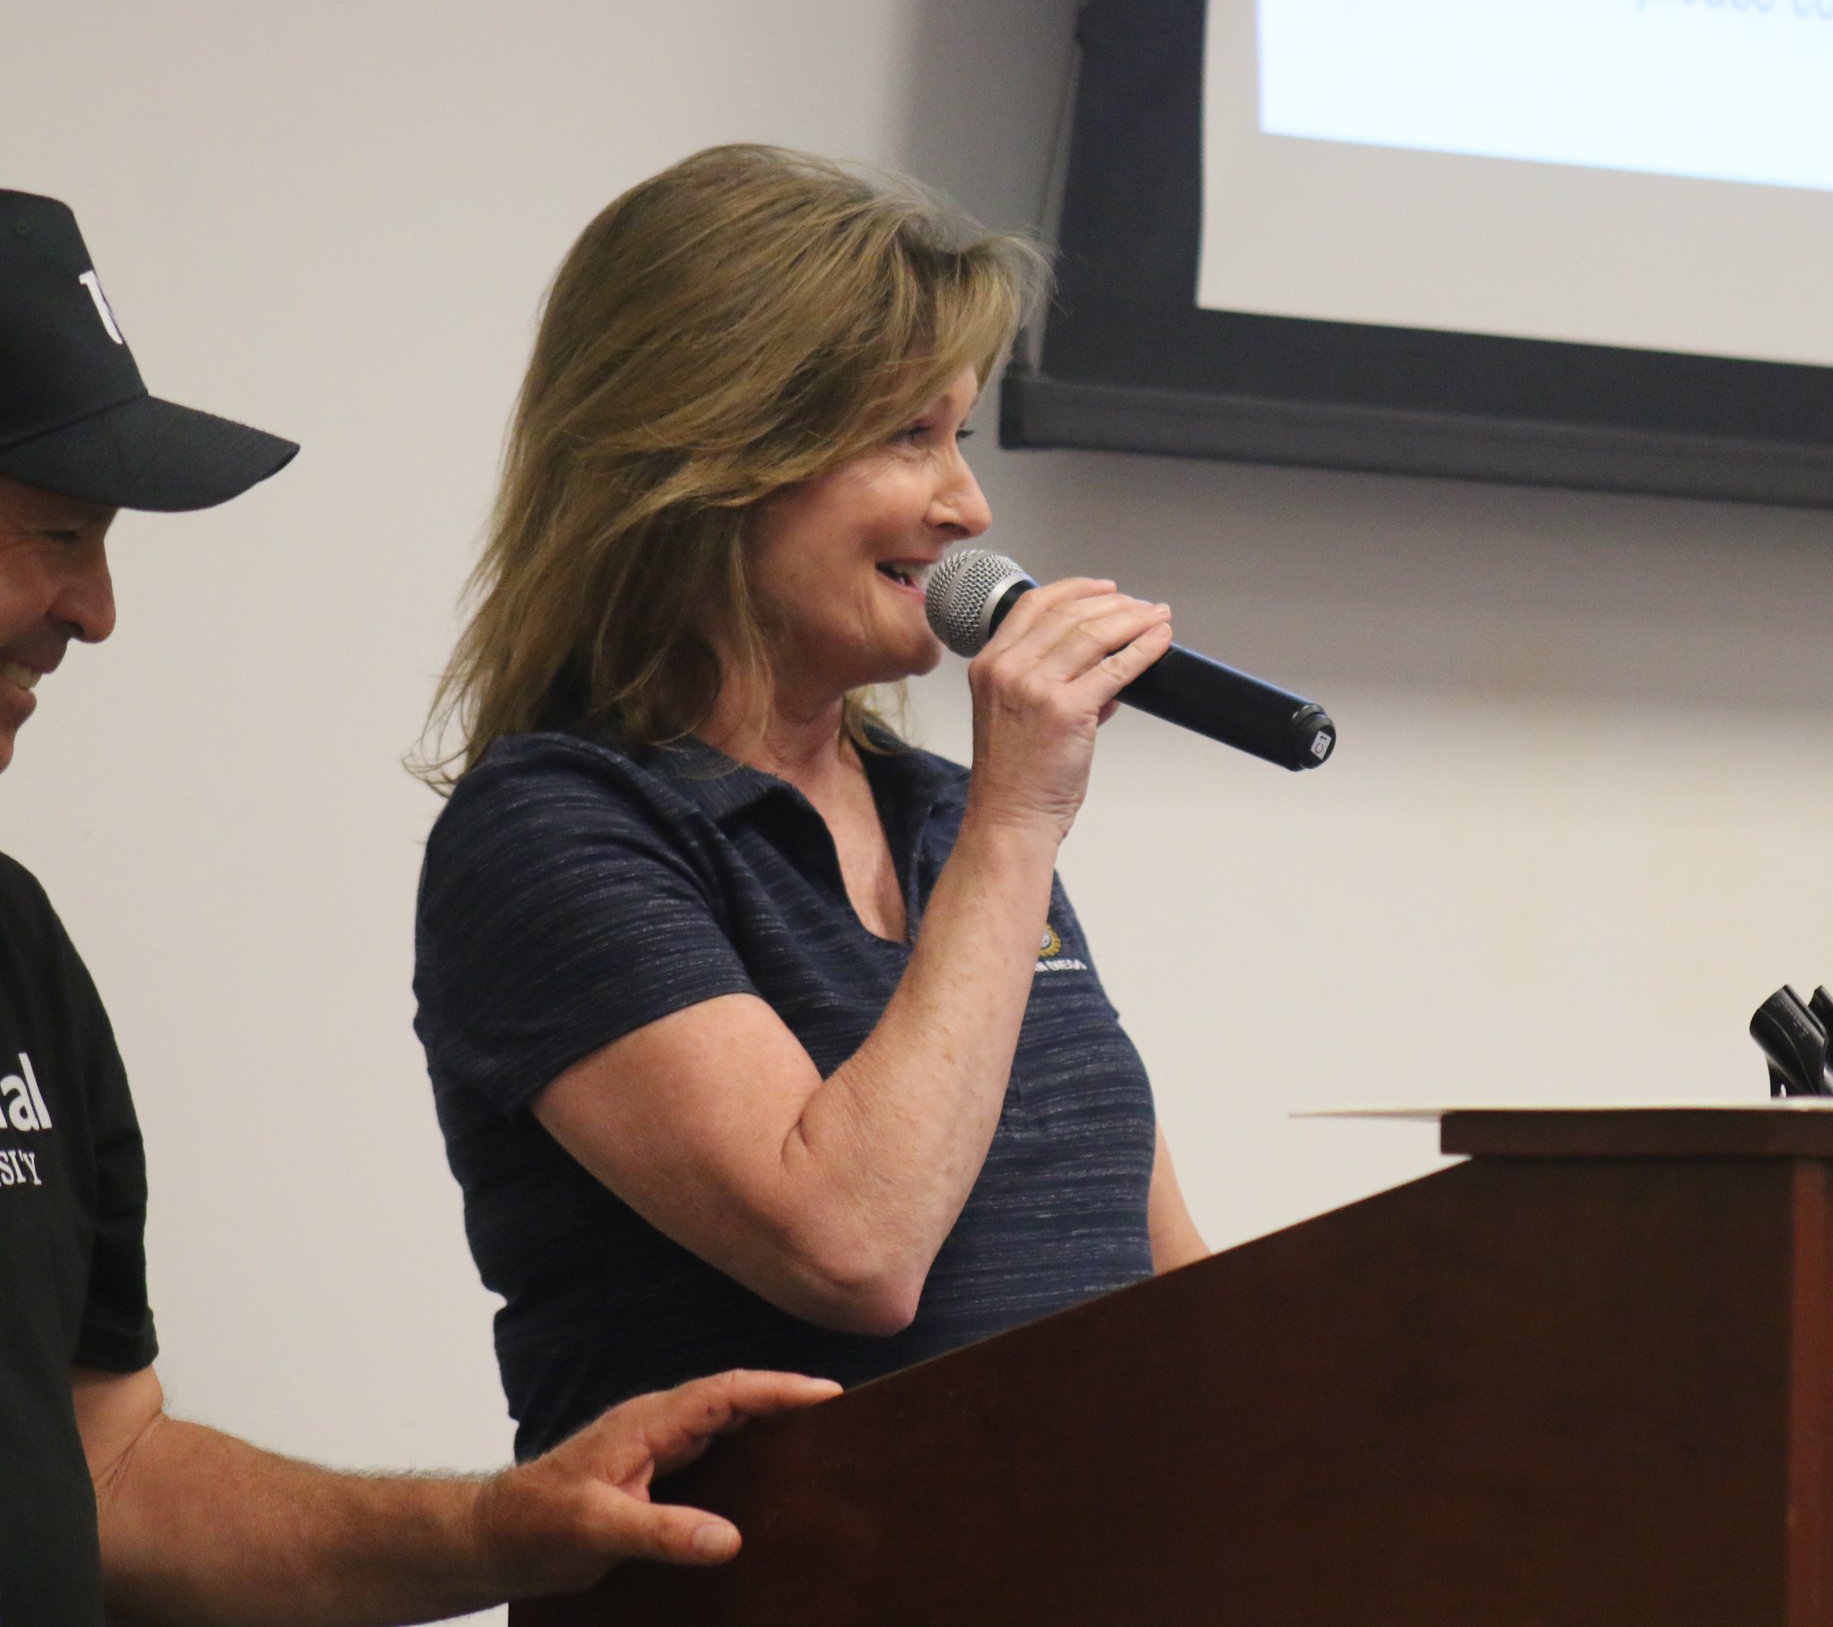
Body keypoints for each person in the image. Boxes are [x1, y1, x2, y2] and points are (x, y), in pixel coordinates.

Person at [0, 187, 840, 1627]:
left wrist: (504, 1530)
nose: (96, 611)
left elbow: (110, 1468)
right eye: (62, 532)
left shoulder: (12, 942)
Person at [413, 144, 1209, 1462]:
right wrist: (1020, 823)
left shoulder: (949, 818)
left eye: (958, 434)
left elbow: (1166, 1275)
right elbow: (854, 1247)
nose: (970, 505)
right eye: (909, 436)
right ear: (714, 453)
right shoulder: (556, 831)